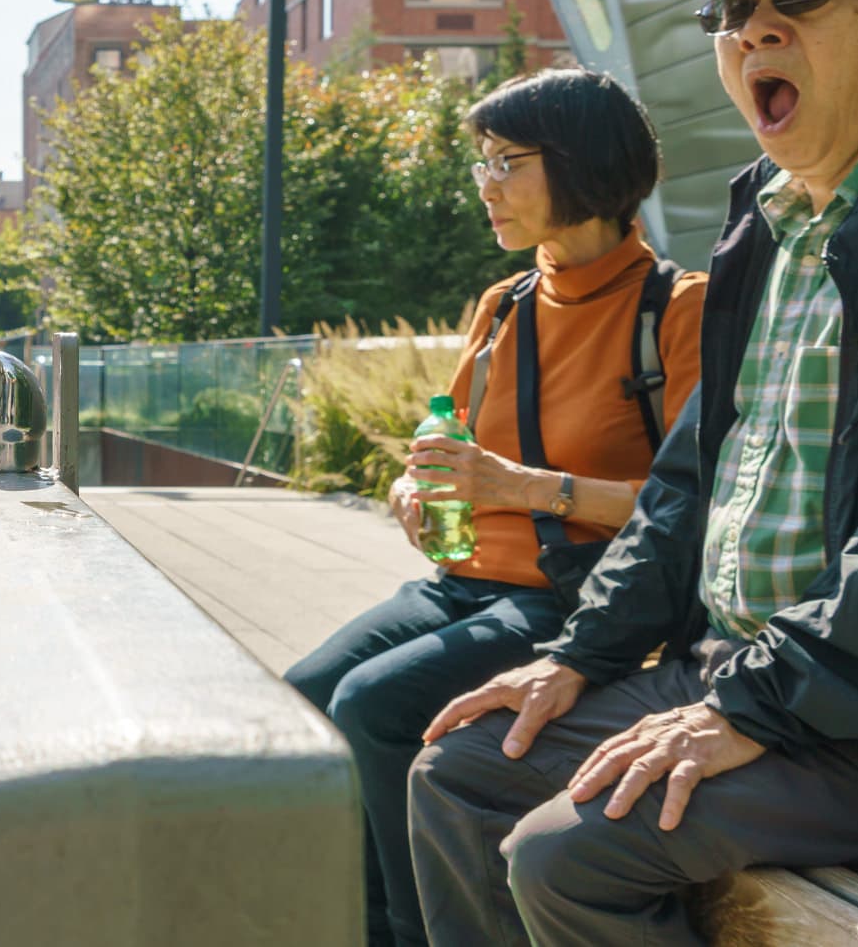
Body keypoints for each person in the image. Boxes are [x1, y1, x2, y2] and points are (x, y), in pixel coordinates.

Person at [406, 0, 858, 944]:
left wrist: (749, 708)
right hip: (740, 674)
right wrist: (580, 655)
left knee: (564, 854)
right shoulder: (765, 224)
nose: (753, 27)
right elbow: (685, 482)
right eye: (732, 8)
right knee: (458, 770)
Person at [282, 67, 706, 947]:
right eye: (480, 162)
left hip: (577, 597)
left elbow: (694, 508)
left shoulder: (681, 310)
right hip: (460, 582)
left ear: (583, 164)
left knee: (374, 704)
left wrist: (520, 488)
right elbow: (450, 436)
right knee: (301, 699)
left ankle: (410, 933)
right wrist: (412, 485)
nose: (487, 184)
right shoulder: (503, 302)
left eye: (507, 160)